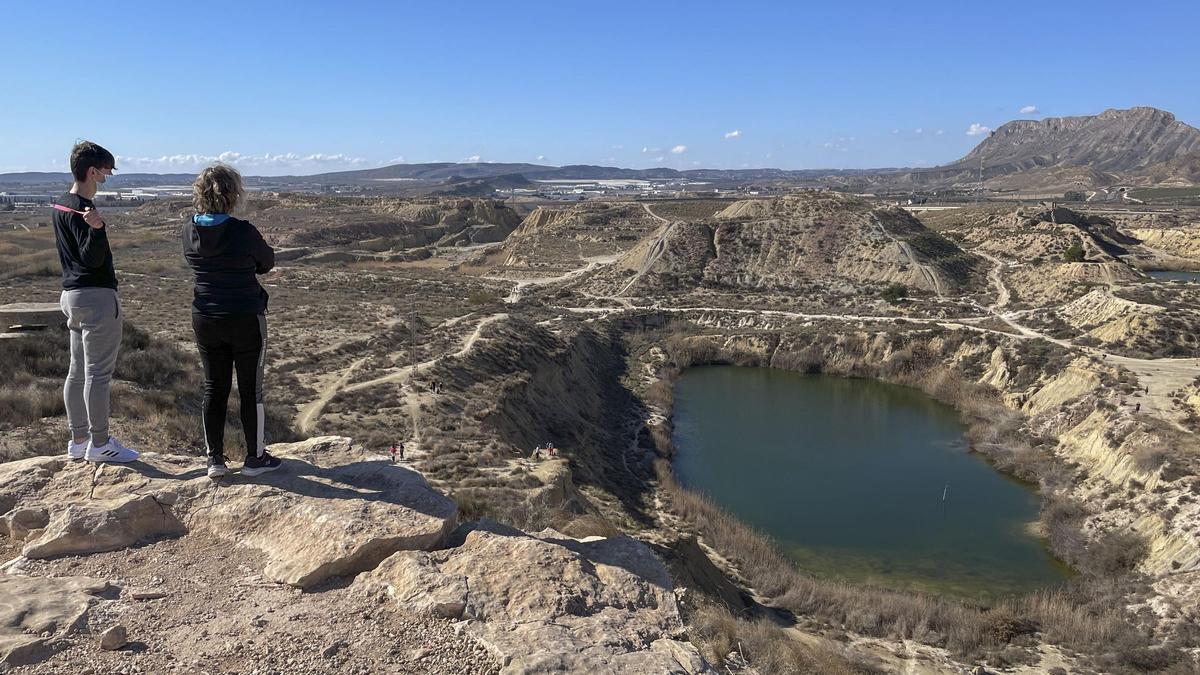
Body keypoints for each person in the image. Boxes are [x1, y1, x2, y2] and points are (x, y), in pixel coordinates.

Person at [182, 164, 279, 479]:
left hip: (206, 316)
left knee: (215, 387)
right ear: (233, 194)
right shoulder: (243, 230)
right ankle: (255, 457)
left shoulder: (189, 230)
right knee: (251, 389)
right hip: (245, 315)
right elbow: (267, 261)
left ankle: (215, 460)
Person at [55, 141, 139, 464]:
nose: (105, 180)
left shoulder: (61, 205)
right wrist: (98, 230)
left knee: (76, 372)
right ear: (92, 171)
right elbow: (92, 259)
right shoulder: (85, 211)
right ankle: (101, 443)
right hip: (97, 298)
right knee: (98, 375)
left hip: (71, 297)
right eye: (105, 174)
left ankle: (78, 440)